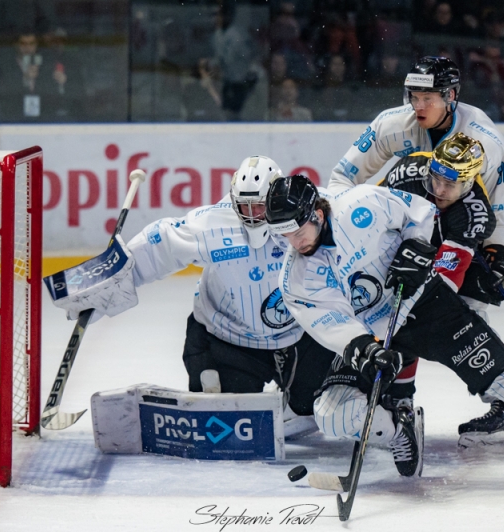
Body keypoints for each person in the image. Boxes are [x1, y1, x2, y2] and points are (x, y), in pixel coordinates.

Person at [265, 173, 504, 480]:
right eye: (284, 236)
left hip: (426, 304)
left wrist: (416, 247)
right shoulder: (295, 278)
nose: (295, 242)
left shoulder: (362, 204)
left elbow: (419, 213)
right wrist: (364, 348)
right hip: (376, 333)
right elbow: (330, 322)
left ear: (316, 211)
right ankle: (399, 428)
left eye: (298, 230)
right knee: (332, 415)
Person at [328, 55, 504, 444]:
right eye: (413, 96)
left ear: (451, 96)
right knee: (394, 306)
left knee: (461, 317)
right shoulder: (391, 124)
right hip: (414, 225)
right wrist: (345, 226)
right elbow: (342, 177)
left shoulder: (483, 139)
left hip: (473, 225)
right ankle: (399, 397)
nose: (418, 106)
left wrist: (500, 253)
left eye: (428, 97)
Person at [51, 156, 335, 421]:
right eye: (244, 207)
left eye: (259, 207)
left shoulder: (298, 217)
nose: (252, 216)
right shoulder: (211, 226)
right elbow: (156, 248)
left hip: (298, 335)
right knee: (224, 418)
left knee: (311, 408)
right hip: (228, 340)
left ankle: (296, 396)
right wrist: (101, 284)